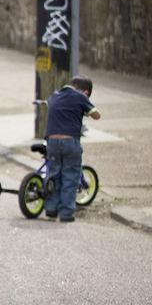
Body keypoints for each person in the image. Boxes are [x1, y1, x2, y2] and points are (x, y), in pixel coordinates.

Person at [43, 75, 101, 223]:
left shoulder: (55, 95)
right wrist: (86, 110)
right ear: (86, 92)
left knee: (54, 174)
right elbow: (96, 115)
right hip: (69, 141)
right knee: (70, 176)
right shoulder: (80, 97)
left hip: (52, 141)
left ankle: (50, 209)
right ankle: (66, 213)